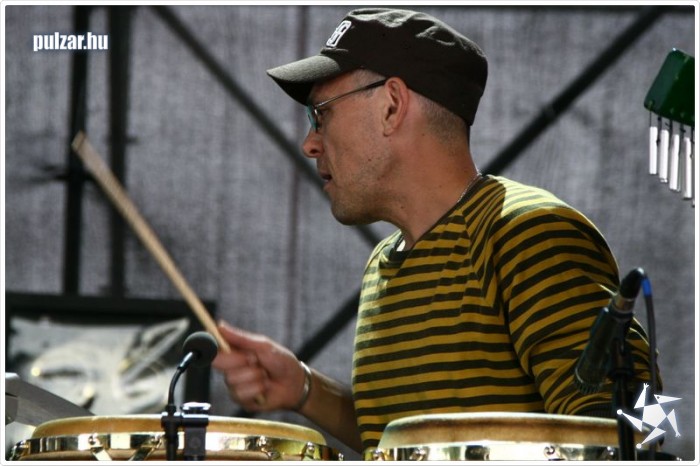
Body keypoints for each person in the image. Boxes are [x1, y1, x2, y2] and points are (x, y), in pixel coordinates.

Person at [212, 8, 657, 454]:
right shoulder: (384, 263)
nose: (309, 143)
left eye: (320, 115)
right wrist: (305, 388)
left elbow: (628, 432)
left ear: (391, 105)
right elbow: (401, 443)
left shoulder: (528, 234)